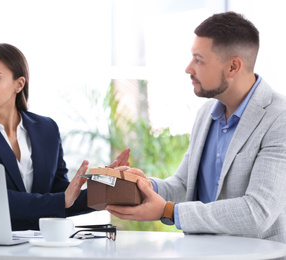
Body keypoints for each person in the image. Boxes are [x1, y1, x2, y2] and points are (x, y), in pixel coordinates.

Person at [106, 11, 286, 245]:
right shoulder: (207, 112)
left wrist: (169, 211)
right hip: (202, 252)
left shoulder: (279, 118)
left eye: (199, 60)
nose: (188, 68)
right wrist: (142, 187)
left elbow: (257, 212)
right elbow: (183, 185)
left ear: (233, 67)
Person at [0, 43, 130, 231]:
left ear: (19, 84)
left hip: (41, 246)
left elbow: (62, 196)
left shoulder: (46, 128)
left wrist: (106, 189)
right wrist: (61, 200)